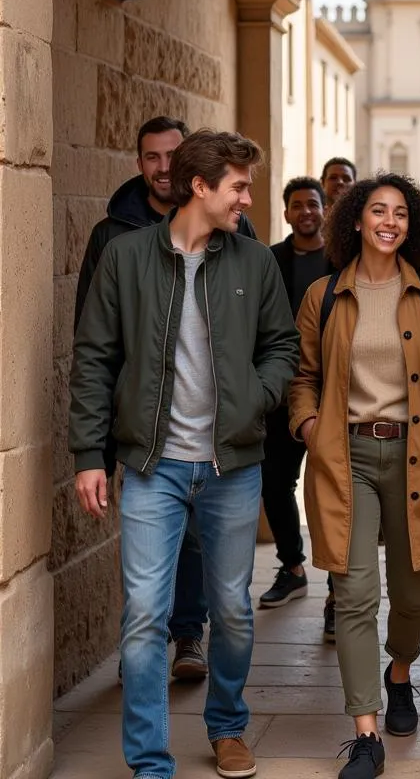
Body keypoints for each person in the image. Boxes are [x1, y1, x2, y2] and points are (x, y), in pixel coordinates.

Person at [69, 130, 300, 779]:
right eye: (238, 186)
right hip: (152, 467)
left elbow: (282, 347)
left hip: (232, 467)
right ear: (201, 186)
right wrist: (90, 453)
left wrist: (255, 397)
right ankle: (149, 759)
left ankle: (227, 726)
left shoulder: (253, 262)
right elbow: (93, 359)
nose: (247, 198)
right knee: (146, 613)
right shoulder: (125, 257)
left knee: (230, 609)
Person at [289, 173, 420, 779]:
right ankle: (365, 732)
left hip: (417, 453)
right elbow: (303, 375)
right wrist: (310, 425)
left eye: (400, 212)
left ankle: (400, 674)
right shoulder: (323, 295)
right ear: (356, 221)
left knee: (414, 593)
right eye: (377, 211)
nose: (388, 221)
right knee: (355, 593)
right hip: (347, 459)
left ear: (413, 224)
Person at [74, 116, 254, 683]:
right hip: (149, 441)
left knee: (217, 578)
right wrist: (93, 451)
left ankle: (188, 640)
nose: (163, 168)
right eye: (151, 157)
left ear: (191, 170)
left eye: (172, 156)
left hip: (223, 449)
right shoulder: (116, 240)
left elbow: (269, 341)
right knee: (145, 590)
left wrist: (255, 397)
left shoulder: (240, 240)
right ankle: (147, 685)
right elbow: (94, 347)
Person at [259, 177, 340, 638]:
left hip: (337, 392)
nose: (306, 212)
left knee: (335, 494)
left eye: (313, 204)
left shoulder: (343, 261)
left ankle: (336, 591)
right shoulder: (271, 260)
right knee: (275, 483)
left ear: (325, 210)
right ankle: (292, 566)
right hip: (283, 391)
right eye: (297, 206)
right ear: (287, 213)